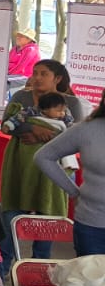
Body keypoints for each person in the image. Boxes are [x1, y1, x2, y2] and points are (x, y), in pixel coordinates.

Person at [0, 58, 85, 262]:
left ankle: (39, 271)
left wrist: (46, 135)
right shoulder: (21, 97)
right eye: (35, 72)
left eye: (43, 74)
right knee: (12, 215)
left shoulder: (71, 103)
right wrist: (32, 128)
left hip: (54, 171)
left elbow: (78, 137)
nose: (37, 78)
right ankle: (2, 270)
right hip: (20, 166)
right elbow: (6, 125)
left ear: (57, 78)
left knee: (48, 219)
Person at [34, 90, 105, 258]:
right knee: (89, 281)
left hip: (91, 223)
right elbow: (44, 157)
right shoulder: (87, 129)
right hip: (92, 223)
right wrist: (73, 192)